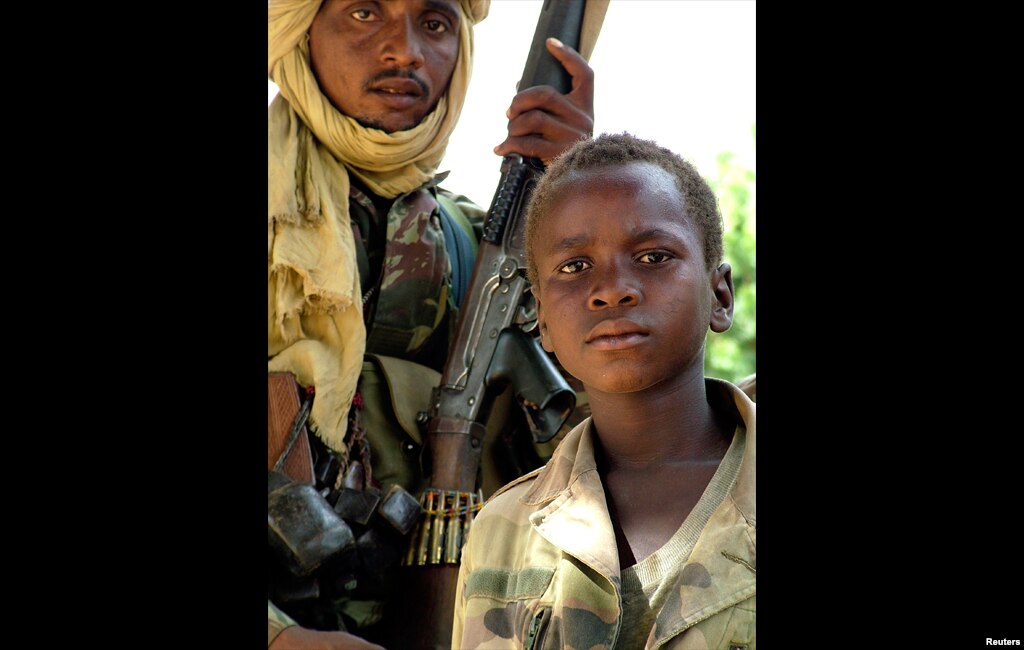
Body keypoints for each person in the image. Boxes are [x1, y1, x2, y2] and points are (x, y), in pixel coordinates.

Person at [267, 0, 596, 647]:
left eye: (437, 22)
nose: (406, 50)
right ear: (300, 33)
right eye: (364, 13)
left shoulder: (485, 244)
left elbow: (602, 444)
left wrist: (580, 205)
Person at [452, 133, 756, 649]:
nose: (612, 288)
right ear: (541, 318)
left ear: (719, 295)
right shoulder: (501, 529)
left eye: (654, 256)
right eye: (574, 267)